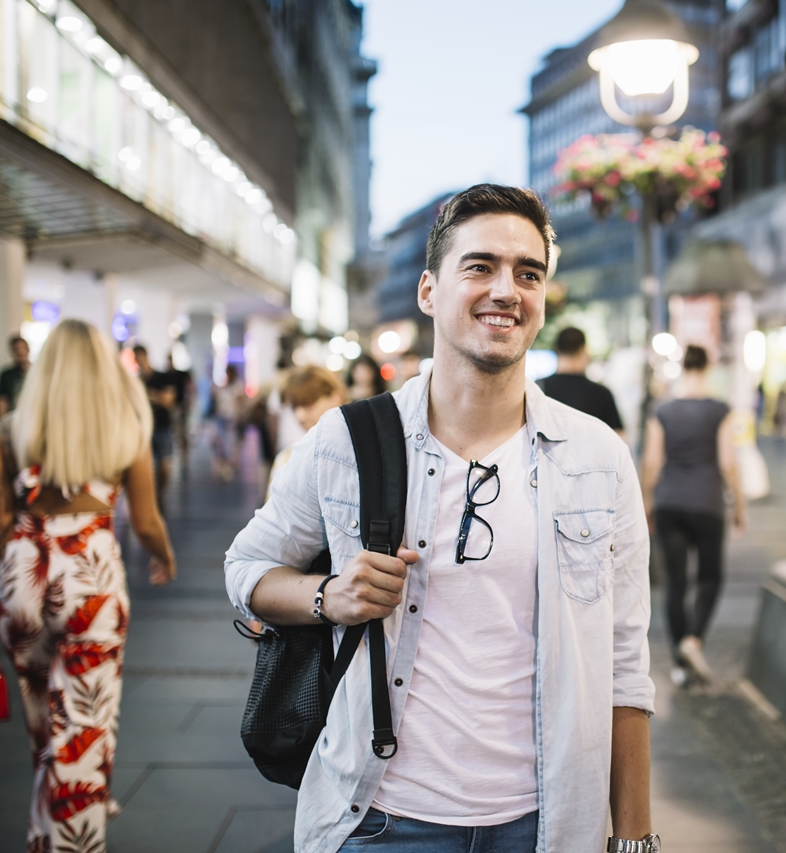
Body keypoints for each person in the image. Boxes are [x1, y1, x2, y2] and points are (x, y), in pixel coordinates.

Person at [225, 184, 656, 853]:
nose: (507, 289)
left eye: (528, 272)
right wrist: (328, 595)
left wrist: (634, 840)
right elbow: (245, 567)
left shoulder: (597, 457)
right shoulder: (349, 440)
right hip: (382, 819)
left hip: (545, 824)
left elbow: (625, 666)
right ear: (429, 290)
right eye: (480, 266)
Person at [0, 319, 175, 852]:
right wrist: (165, 558)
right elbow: (146, 522)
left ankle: (44, 834)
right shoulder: (123, 430)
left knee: (45, 723)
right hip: (88, 577)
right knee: (83, 727)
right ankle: (73, 836)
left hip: (21, 574)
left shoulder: (10, 430)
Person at [640, 345, 746, 688]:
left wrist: (645, 502)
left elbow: (653, 462)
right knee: (710, 578)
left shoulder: (663, 410)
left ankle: (680, 665)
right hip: (708, 502)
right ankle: (694, 640)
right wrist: (739, 505)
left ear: (683, 367)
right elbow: (728, 462)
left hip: (670, 501)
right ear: (709, 366)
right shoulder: (720, 410)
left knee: (675, 583)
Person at [537, 326, 624, 437]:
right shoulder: (601, 394)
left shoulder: (537, 389)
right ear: (582, 350)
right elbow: (618, 437)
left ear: (556, 350)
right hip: (592, 454)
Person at [133, 345, 176, 506]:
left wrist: (151, 396)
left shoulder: (162, 377)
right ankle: (151, 499)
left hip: (162, 428)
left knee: (164, 467)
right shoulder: (136, 381)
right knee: (146, 470)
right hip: (144, 431)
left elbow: (168, 400)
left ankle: (160, 495)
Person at [211, 364, 245, 481]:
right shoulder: (222, 388)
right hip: (221, 416)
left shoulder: (237, 387)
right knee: (221, 441)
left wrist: (240, 417)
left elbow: (240, 404)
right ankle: (222, 465)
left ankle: (228, 466)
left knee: (229, 442)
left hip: (231, 417)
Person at [0, 334, 31, 418]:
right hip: (14, 418)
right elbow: (2, 401)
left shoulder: (38, 373)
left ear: (28, 350)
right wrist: (2, 420)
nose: (20, 352)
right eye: (16, 349)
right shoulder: (6, 375)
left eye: (22, 348)